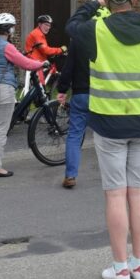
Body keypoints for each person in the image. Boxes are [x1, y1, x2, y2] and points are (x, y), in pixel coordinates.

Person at [66, 0, 140, 279]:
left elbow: (70, 26)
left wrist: (92, 4)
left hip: (110, 123)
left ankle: (120, 269)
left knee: (115, 194)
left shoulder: (94, 29)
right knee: (138, 192)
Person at [0, 13, 47, 178]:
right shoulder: (7, 47)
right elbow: (25, 64)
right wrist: (42, 63)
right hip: (4, 88)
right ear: (8, 29)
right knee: (1, 129)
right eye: (12, 27)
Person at [56, 38, 90, 189]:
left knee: (75, 135)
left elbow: (68, 68)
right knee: (108, 137)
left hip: (81, 93)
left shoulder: (78, 40)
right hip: (103, 95)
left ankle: (70, 175)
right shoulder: (106, 35)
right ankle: (116, 176)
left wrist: (62, 89)